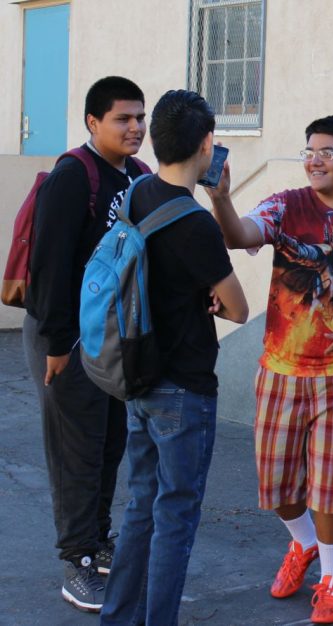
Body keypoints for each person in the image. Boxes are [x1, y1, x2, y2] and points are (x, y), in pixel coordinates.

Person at [208, 115, 333, 623]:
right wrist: (220, 198)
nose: (315, 159)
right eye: (309, 150)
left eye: (327, 152)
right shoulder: (288, 205)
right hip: (282, 369)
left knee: (331, 488)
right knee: (280, 487)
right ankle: (303, 544)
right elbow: (239, 233)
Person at [99, 89, 248, 625]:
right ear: (207, 144)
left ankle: (119, 618)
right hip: (183, 388)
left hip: (135, 374)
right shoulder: (196, 224)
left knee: (141, 507)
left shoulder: (137, 192)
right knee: (176, 515)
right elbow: (237, 308)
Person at [22, 76, 148, 612]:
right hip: (68, 336)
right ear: (94, 123)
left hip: (117, 339)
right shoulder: (75, 176)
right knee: (76, 448)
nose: (136, 128)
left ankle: (97, 544)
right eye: (123, 118)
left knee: (108, 443)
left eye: (140, 118)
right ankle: (76, 560)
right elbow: (48, 264)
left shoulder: (139, 176)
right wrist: (55, 343)